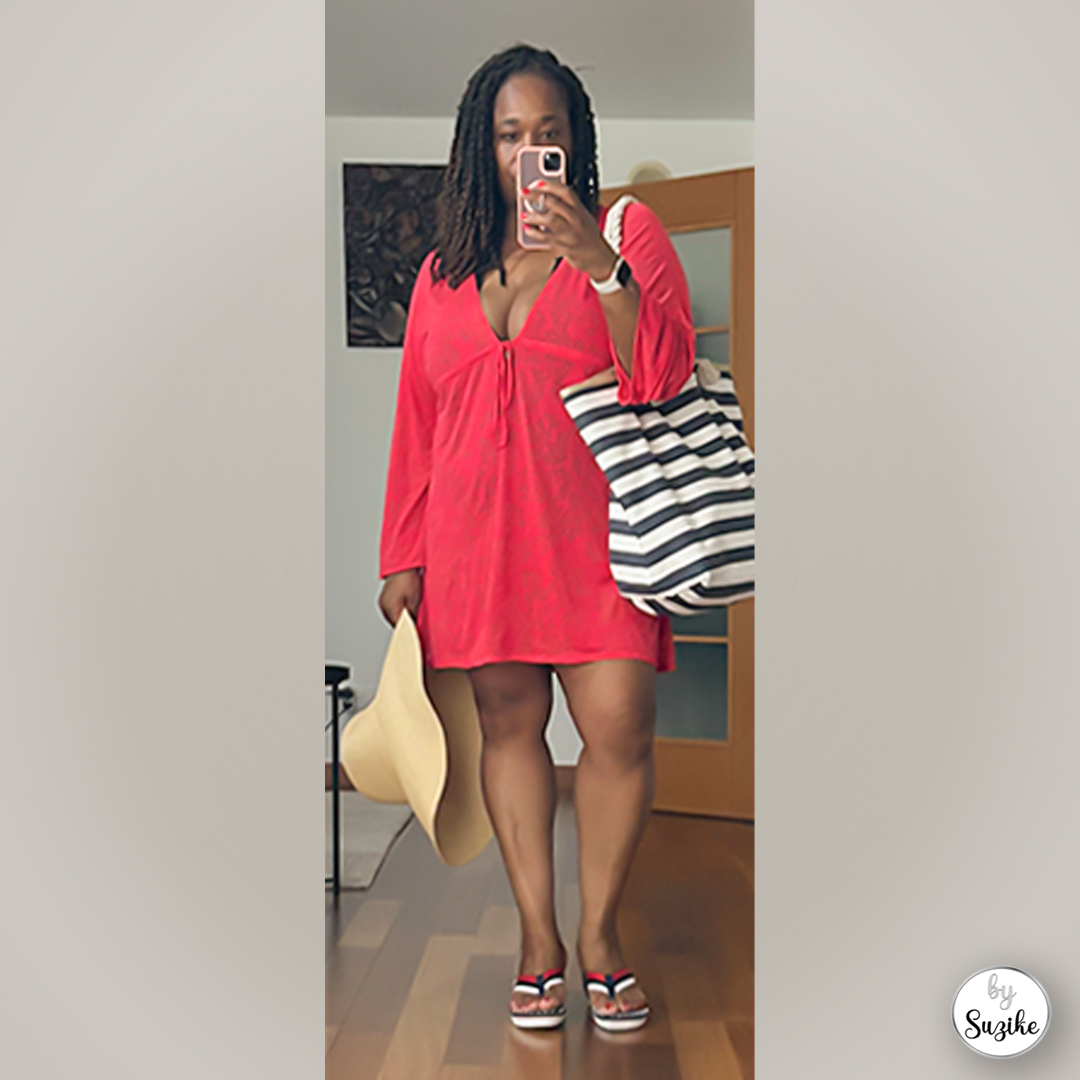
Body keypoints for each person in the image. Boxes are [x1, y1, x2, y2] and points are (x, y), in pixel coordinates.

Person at [377, 43, 695, 1030]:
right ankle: (537, 941)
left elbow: (664, 373)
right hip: (475, 546)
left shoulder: (627, 235)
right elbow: (418, 422)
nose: (528, 152)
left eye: (546, 133)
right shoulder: (441, 277)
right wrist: (402, 554)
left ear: (575, 144)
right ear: (482, 149)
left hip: (599, 543)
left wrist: (600, 267)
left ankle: (599, 935)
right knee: (510, 731)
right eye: (509, 134)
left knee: (620, 727)